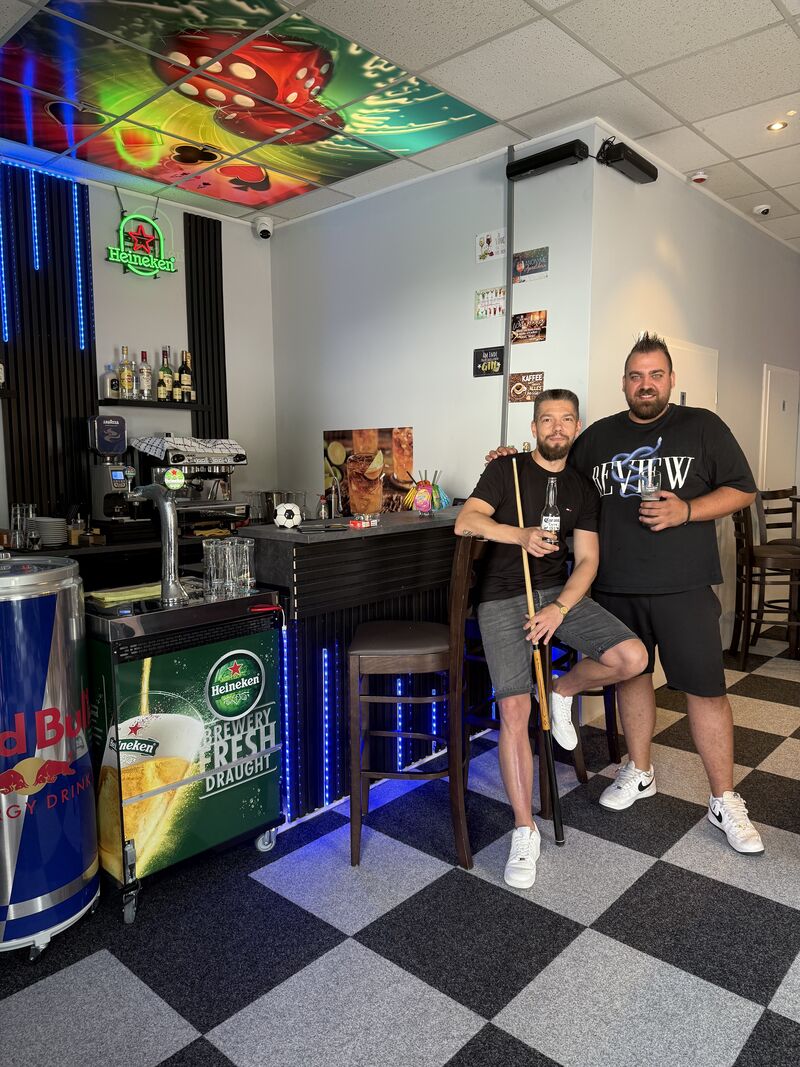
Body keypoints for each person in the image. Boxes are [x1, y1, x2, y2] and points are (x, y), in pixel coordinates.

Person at [488, 334, 763, 855]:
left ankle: (724, 798)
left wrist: (687, 510)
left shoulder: (703, 426)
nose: (646, 384)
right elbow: (551, 466)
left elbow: (742, 490)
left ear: (671, 379)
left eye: (656, 375)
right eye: (636, 376)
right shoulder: (596, 437)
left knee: (706, 690)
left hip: (684, 584)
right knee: (631, 676)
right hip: (614, 583)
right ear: (623, 383)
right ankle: (639, 770)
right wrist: (511, 460)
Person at [455, 390, 647, 889]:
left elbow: (588, 561)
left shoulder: (583, 487)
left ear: (576, 426)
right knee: (514, 709)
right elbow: (466, 521)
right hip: (502, 598)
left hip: (557, 597)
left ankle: (562, 690)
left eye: (565, 420)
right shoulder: (506, 470)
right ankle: (525, 829)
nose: (556, 427)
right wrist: (518, 535)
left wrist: (558, 609)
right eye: (547, 419)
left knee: (632, 657)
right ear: (534, 426)